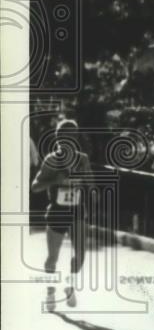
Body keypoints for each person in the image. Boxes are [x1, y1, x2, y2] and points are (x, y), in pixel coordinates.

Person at [31, 120, 92, 311]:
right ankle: (50, 293)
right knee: (52, 257)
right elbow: (35, 187)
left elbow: (91, 185)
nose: (71, 139)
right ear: (58, 137)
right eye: (66, 135)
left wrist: (89, 188)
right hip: (57, 211)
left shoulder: (82, 159)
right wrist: (54, 180)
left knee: (81, 253)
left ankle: (69, 285)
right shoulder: (51, 160)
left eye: (74, 135)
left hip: (77, 211)